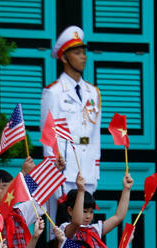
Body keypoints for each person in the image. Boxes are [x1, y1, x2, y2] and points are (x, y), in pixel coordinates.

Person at [40, 26, 102, 207]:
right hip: (64, 173)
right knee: (61, 230)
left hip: (86, 171)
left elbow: (95, 135)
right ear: (64, 57)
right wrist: (54, 176)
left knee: (84, 229)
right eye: (77, 53)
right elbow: (48, 137)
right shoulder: (54, 92)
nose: (83, 57)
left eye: (84, 52)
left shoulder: (93, 92)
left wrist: (95, 172)